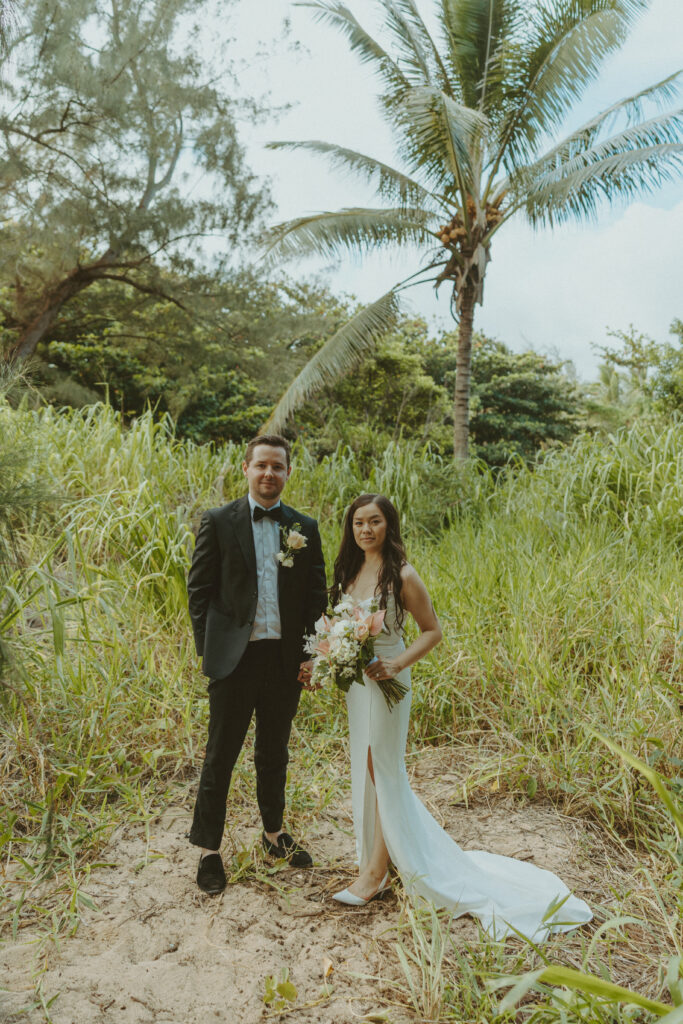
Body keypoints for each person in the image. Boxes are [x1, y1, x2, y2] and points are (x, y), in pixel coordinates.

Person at [329, 493, 592, 941]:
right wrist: (331, 655)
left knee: (383, 769)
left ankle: (375, 873)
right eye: (358, 523)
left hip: (389, 681)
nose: (366, 530)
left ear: (389, 525)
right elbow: (336, 625)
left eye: (375, 521)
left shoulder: (402, 575)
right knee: (366, 767)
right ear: (350, 529)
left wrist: (395, 665)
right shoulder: (347, 571)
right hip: (359, 684)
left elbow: (433, 631)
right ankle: (378, 860)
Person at [187, 434, 327, 894]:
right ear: (246, 468)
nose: (270, 473)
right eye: (261, 465)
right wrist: (211, 652)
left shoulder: (304, 526)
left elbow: (315, 598)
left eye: (278, 467)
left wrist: (310, 655)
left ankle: (273, 834)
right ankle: (209, 851)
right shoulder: (218, 521)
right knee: (220, 755)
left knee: (274, 751)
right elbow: (199, 592)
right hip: (234, 659)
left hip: (283, 660)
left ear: (288, 473)